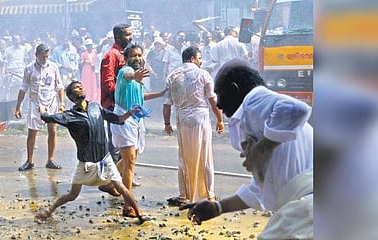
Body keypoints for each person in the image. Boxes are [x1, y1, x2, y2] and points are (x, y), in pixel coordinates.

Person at [180, 58, 313, 239]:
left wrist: (261, 148)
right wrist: (218, 207)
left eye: (219, 94)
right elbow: (261, 192)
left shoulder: (254, 99)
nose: (217, 104)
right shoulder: (266, 121)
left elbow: (297, 108)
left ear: (234, 90)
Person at [35, 81, 151, 224]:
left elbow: (118, 119)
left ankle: (140, 214)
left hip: (104, 160)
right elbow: (46, 117)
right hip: (85, 163)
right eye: (77, 88)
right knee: (72, 194)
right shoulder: (68, 116)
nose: (81, 88)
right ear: (71, 96)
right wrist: (42, 109)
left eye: (81, 86)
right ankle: (49, 211)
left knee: (121, 187)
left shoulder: (96, 107)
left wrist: (130, 113)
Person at [163, 46, 224, 206]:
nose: (201, 61)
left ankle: (184, 195)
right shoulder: (203, 74)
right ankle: (209, 195)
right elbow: (212, 100)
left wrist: (167, 123)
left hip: (182, 118)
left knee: (184, 157)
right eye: (199, 58)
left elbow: (167, 104)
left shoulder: (172, 76)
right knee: (205, 156)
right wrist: (220, 119)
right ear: (192, 59)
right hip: (200, 117)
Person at [111, 44, 167, 217]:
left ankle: (108, 181)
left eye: (140, 55)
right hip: (124, 119)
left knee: (131, 157)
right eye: (134, 55)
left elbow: (140, 96)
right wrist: (134, 75)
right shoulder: (124, 72)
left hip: (136, 119)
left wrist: (160, 94)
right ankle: (128, 206)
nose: (137, 58)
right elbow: (128, 76)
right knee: (130, 163)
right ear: (127, 58)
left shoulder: (139, 79)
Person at [15, 43, 66, 171]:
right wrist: (18, 107)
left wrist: (62, 103)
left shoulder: (53, 67)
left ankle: (50, 160)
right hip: (35, 103)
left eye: (47, 57)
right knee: (32, 132)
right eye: (42, 57)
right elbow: (23, 88)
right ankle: (30, 161)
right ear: (36, 55)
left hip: (51, 102)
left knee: (52, 131)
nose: (44, 59)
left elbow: (59, 86)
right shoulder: (29, 68)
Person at [100, 23, 132, 164]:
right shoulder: (111, 55)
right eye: (128, 35)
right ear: (118, 37)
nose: (131, 38)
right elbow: (108, 83)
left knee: (128, 141)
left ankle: (125, 175)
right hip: (114, 105)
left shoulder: (125, 54)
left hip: (126, 104)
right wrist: (119, 98)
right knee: (117, 144)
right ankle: (114, 179)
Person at [80, 38, 99, 102]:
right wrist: (86, 62)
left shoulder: (94, 52)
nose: (89, 47)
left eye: (90, 45)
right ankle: (86, 97)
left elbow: (97, 61)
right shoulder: (83, 54)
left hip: (92, 70)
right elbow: (81, 62)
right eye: (88, 46)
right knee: (86, 84)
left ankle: (93, 98)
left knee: (93, 83)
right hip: (86, 70)